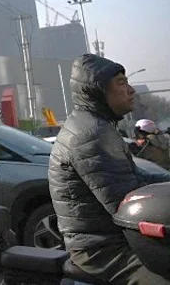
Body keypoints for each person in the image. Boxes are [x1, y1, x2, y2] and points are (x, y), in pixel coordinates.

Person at [49, 54, 170, 285]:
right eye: (122, 83)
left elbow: (136, 177)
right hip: (102, 249)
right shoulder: (92, 133)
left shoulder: (94, 124)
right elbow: (127, 204)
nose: (131, 90)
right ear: (98, 90)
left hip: (104, 239)